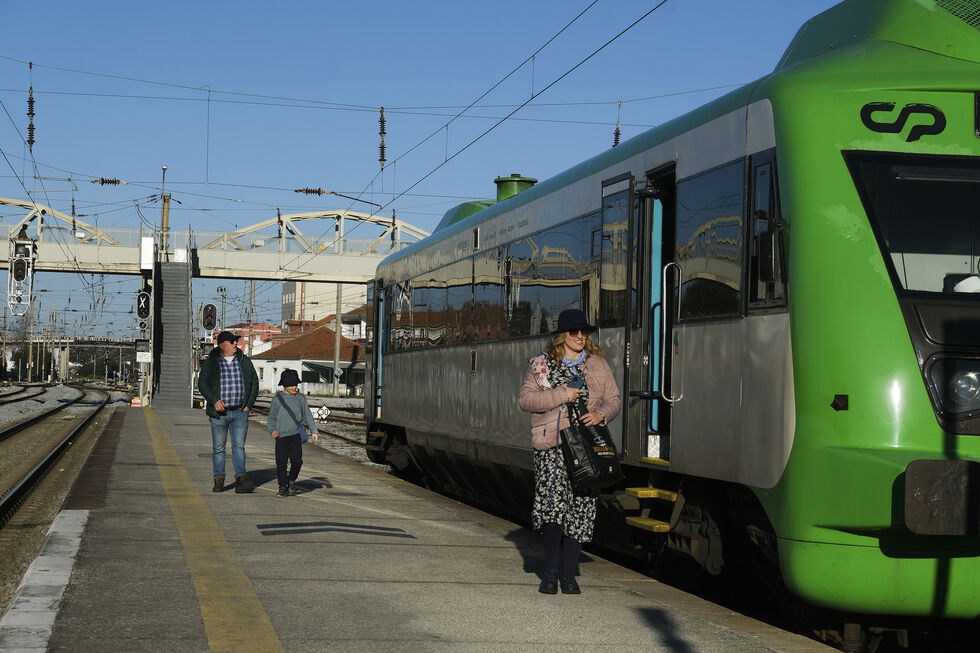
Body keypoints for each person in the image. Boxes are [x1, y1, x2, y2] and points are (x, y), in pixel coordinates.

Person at [518, 308, 621, 595]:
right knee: (553, 507)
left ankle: (569, 574)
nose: (580, 336)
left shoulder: (598, 365)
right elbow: (526, 400)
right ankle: (550, 571)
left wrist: (601, 414)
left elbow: (614, 399)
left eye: (584, 331)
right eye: (574, 331)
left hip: (587, 447)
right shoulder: (542, 366)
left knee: (581, 508)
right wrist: (562, 394)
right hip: (553, 445)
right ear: (562, 335)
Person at [198, 330, 259, 493]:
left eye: (235, 341)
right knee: (219, 448)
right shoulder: (212, 362)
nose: (235, 344)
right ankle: (219, 479)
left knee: (239, 447)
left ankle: (241, 479)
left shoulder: (244, 361)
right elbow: (202, 384)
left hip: (240, 412)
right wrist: (214, 400)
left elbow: (254, 382)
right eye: (232, 342)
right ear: (223, 345)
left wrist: (248, 405)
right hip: (219, 414)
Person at [267, 369, 319, 497]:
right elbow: (271, 418)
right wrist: (272, 430)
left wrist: (314, 430)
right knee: (281, 463)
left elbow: (307, 415)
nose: (295, 387)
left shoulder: (300, 398)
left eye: (296, 384)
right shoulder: (277, 399)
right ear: (284, 385)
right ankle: (282, 487)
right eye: (292, 385)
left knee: (297, 461)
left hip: (296, 435)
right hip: (281, 436)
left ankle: (291, 480)